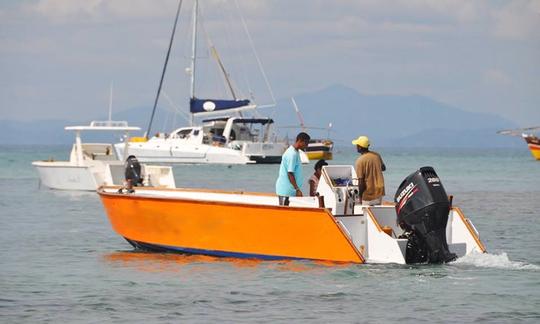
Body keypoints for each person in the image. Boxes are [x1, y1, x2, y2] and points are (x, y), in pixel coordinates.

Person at [275, 132, 311, 206]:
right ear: (300, 141)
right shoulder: (292, 154)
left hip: (290, 191)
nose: (307, 146)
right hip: (286, 191)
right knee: (285, 214)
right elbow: (290, 173)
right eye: (306, 143)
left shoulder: (295, 152)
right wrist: (297, 189)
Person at [352, 136, 386, 205]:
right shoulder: (377, 155)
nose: (356, 147)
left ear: (360, 147)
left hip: (368, 194)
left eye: (357, 145)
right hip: (379, 192)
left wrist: (360, 197)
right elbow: (383, 168)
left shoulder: (360, 161)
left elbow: (361, 182)